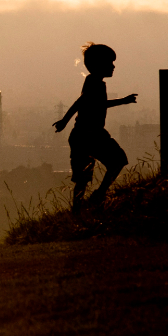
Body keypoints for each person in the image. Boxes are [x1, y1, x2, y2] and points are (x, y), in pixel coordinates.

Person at [53, 42, 137, 212]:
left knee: (83, 177)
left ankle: (81, 207)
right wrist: (124, 101)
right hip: (90, 135)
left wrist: (64, 120)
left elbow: (83, 102)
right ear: (98, 64)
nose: (113, 66)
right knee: (116, 161)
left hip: (84, 135)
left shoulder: (93, 81)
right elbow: (92, 103)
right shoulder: (95, 83)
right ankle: (97, 196)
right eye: (110, 63)